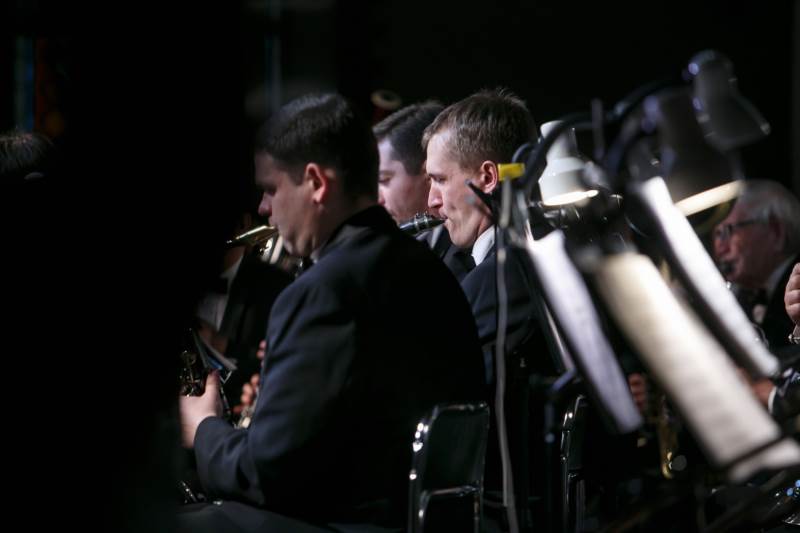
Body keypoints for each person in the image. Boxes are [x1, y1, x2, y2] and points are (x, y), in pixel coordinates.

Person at [178, 93, 485, 532]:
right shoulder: (431, 270)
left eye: (271, 189)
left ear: (316, 183)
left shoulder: (324, 292)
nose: (263, 208)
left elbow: (265, 475)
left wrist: (203, 427)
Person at [373, 101, 473, 281]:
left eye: (384, 180)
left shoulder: (468, 250)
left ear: (428, 174)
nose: (377, 199)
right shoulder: (411, 247)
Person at [712, 179, 800, 356]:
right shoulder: (746, 297)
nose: (720, 247)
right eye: (717, 235)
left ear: (776, 232)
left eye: (728, 231)